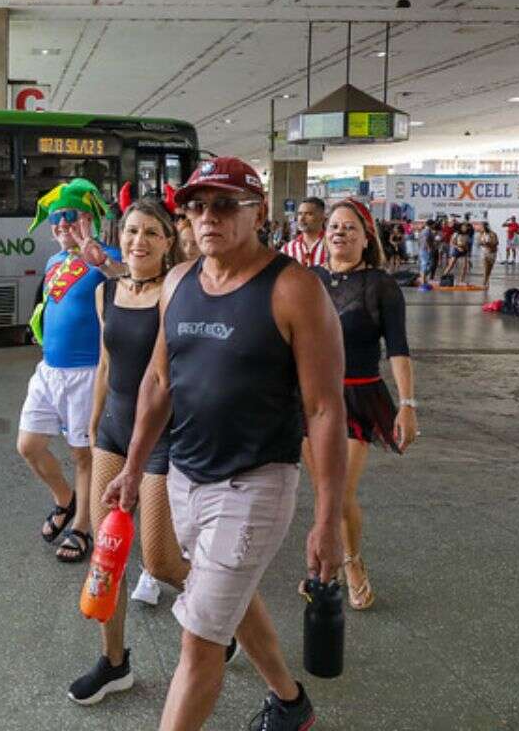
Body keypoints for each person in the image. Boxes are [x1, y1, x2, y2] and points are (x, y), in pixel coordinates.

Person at [104, 157, 347, 731]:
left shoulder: (293, 289)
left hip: (254, 483)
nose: (206, 216)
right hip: (186, 478)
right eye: (195, 205)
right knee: (230, 603)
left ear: (257, 211)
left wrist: (329, 518)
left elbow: (324, 408)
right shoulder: (180, 282)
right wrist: (133, 468)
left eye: (222, 204)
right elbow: (159, 380)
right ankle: (290, 704)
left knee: (198, 641)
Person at [70, 194, 193, 704]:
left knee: (162, 562)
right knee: (108, 554)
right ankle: (114, 662)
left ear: (168, 243)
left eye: (150, 233)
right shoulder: (108, 293)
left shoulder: (179, 291)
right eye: (131, 231)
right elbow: (105, 363)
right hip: (116, 431)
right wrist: (95, 420)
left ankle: (224, 610)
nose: (138, 240)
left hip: (164, 432)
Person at [306, 199, 418, 611]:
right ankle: (324, 565)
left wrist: (407, 404)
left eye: (350, 227)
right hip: (311, 399)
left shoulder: (380, 284)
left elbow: (399, 349)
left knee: (339, 493)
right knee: (323, 493)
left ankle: (351, 563)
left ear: (366, 236)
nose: (340, 232)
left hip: (357, 397)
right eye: (334, 226)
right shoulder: (309, 279)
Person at [19, 179, 121, 564]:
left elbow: (130, 279)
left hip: (86, 373)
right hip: (49, 370)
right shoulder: (53, 262)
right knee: (28, 445)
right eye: (55, 219)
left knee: (83, 454)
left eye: (70, 216)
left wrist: (102, 261)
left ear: (90, 218)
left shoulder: (104, 255)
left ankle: (82, 526)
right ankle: (65, 497)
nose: (61, 225)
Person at [281, 197, 327, 266]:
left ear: (322, 217)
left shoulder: (334, 245)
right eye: (300, 214)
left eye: (308, 214)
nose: (302, 218)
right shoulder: (287, 249)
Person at [478, 221, 499, 289]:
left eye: (481, 226)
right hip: (484, 253)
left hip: (492, 253)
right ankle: (484, 283)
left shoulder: (492, 234)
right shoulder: (481, 234)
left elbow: (496, 243)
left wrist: (488, 244)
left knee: (489, 269)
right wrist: (482, 243)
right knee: (485, 268)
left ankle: (486, 281)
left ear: (485, 227)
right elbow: (480, 242)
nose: (480, 228)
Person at [417, 219, 438, 287]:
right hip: (425, 250)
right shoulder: (427, 231)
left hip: (422, 249)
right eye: (434, 224)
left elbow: (419, 240)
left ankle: (424, 279)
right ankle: (423, 280)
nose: (435, 225)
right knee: (426, 265)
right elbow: (426, 239)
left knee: (427, 264)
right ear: (431, 224)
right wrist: (429, 248)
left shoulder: (424, 231)